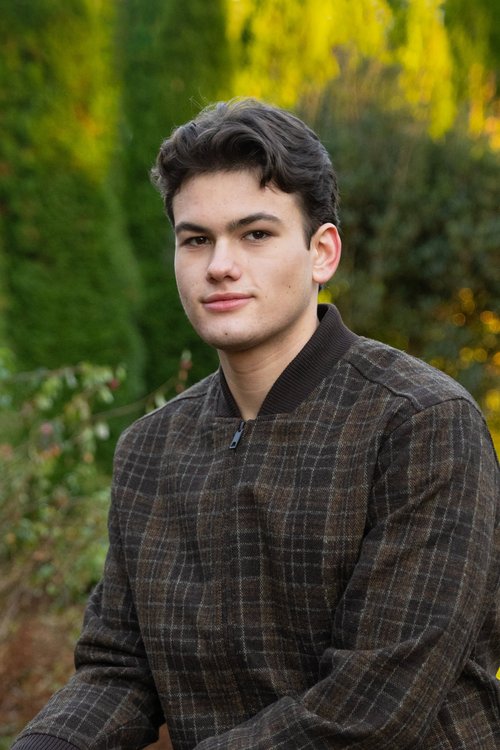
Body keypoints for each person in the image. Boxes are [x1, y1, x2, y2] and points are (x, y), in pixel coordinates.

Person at [12, 98, 499, 750]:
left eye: (256, 235)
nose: (220, 265)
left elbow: (371, 709)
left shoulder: (421, 425)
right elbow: (118, 671)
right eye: (196, 240)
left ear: (322, 253)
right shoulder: (150, 450)